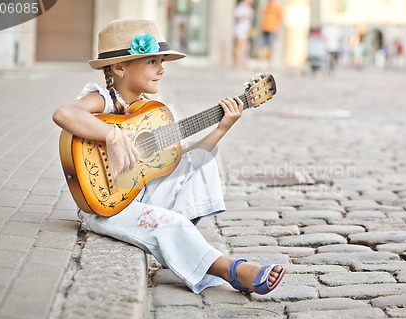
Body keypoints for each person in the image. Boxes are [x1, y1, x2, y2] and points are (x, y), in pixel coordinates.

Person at [52, 19, 285, 295]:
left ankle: (180, 248)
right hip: (105, 205)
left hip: (140, 192)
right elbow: (64, 114)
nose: (162, 69)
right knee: (167, 223)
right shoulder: (103, 99)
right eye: (152, 61)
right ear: (119, 67)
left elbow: (178, 161)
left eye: (162, 61)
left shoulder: (153, 111)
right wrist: (112, 136)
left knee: (202, 159)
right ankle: (232, 270)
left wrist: (222, 127)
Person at [258, 0, 282, 67]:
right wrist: (260, 29)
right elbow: (262, 18)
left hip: (272, 29)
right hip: (264, 28)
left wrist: (278, 30)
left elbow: (279, 19)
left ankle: (270, 63)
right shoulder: (266, 6)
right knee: (261, 46)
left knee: (271, 47)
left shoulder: (277, 7)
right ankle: (260, 63)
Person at [233, 0, 254, 69]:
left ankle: (242, 62)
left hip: (246, 30)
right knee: (240, 46)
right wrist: (245, 16)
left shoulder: (249, 8)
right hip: (240, 29)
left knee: (245, 47)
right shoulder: (241, 7)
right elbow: (236, 16)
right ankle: (237, 62)